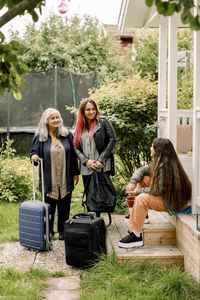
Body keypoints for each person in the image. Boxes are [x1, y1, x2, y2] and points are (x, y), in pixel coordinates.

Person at [119, 138, 192, 248]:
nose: (150, 148)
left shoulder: (166, 167)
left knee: (141, 198)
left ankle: (136, 236)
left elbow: (157, 191)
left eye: (152, 146)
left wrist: (138, 192)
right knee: (143, 178)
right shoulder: (161, 162)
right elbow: (142, 170)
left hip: (174, 203)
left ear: (158, 150)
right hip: (169, 198)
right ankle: (143, 214)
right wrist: (133, 182)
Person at [30, 108, 79, 240]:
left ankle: (63, 230)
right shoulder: (40, 136)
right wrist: (34, 156)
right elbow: (33, 152)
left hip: (65, 176)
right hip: (49, 178)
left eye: (57, 117)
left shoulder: (67, 134)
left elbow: (73, 155)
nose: (56, 120)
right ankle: (49, 231)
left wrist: (75, 172)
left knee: (65, 205)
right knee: (49, 208)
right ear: (46, 121)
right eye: (52, 118)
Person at [73, 98, 116, 216]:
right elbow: (75, 146)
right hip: (87, 167)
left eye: (93, 109)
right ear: (83, 111)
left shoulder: (103, 122)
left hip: (101, 165)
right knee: (90, 195)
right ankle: (93, 221)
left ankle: (98, 220)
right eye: (88, 110)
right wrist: (86, 161)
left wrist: (101, 159)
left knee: (101, 194)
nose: (91, 112)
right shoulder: (79, 126)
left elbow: (112, 140)